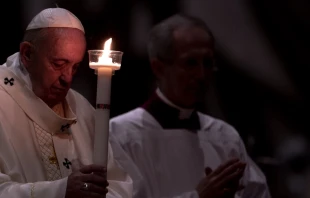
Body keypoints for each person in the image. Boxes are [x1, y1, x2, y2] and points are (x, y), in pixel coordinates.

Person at [110, 14, 271, 198]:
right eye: (190, 63)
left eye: (208, 63)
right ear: (158, 68)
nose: (202, 75)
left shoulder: (225, 136)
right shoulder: (120, 135)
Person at [0, 8, 132, 198]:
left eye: (75, 67)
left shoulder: (81, 108)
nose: (68, 79)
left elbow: (118, 184)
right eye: (59, 64)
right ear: (27, 54)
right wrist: (59, 191)